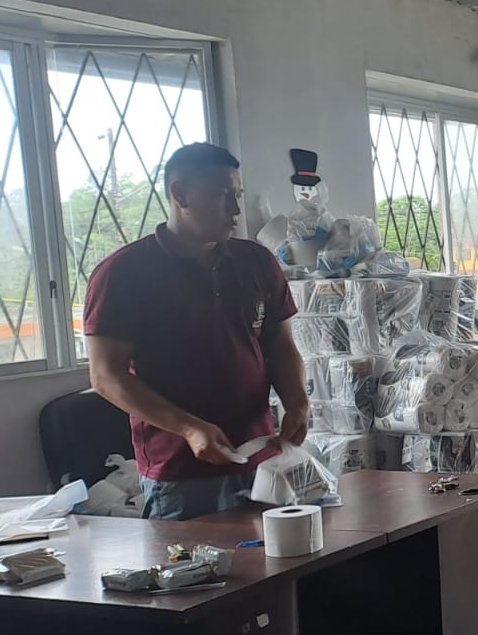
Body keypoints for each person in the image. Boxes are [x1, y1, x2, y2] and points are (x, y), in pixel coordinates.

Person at [84, 143, 309, 520]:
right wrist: (189, 428)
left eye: (238, 195)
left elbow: (281, 346)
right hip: (181, 474)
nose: (235, 209)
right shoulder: (124, 273)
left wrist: (298, 403)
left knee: (280, 557)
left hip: (263, 460)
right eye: (222, 195)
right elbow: (106, 376)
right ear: (180, 195)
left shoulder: (255, 262)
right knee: (194, 560)